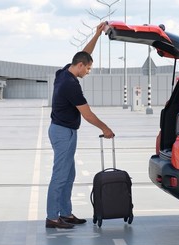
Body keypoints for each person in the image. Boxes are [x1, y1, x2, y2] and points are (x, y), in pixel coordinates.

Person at [46, 22, 115, 229]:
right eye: (88, 68)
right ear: (80, 66)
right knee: (60, 175)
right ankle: (52, 217)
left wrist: (96, 35)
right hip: (62, 133)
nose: (89, 72)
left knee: (68, 174)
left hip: (63, 130)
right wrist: (105, 129)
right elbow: (88, 115)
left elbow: (83, 53)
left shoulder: (64, 72)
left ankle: (65, 213)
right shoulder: (70, 85)